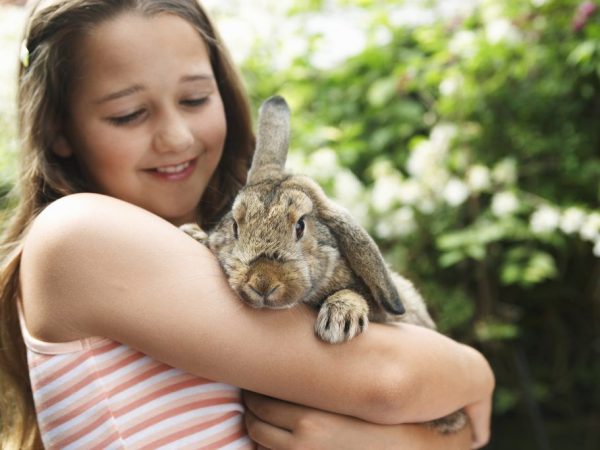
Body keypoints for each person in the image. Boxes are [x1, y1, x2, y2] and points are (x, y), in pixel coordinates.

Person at [0, 0, 495, 448]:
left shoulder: (212, 246)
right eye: (129, 114)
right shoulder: (78, 235)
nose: (175, 137)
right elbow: (391, 381)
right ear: (57, 129)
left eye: (194, 100)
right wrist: (477, 374)